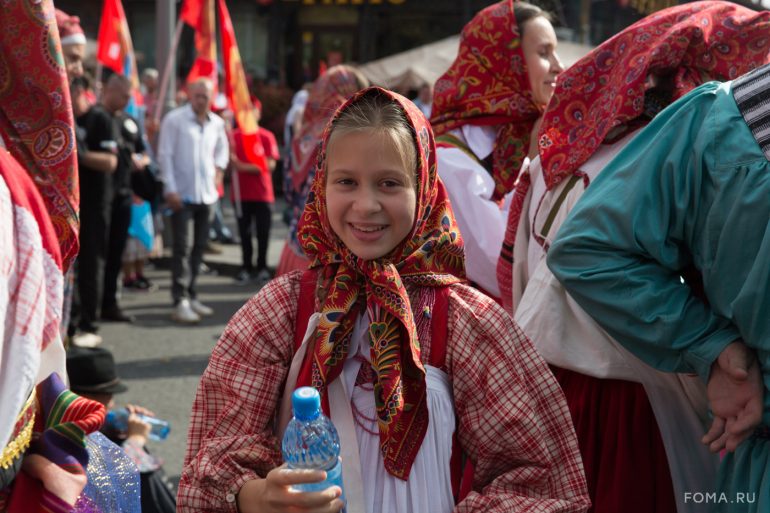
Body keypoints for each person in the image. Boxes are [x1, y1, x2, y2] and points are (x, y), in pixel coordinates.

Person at [178, 87, 590, 513]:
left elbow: (537, 477)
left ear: (424, 186)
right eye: (346, 182)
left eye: (389, 184)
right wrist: (257, 496)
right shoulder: (282, 310)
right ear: (321, 184)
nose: (366, 204)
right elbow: (216, 453)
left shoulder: (465, 320)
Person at [496, 3, 770, 512]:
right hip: (640, 399)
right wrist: (714, 352)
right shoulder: (684, 151)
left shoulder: (565, 155)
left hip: (542, 380)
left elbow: (521, 275)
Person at [430, 0, 563, 299]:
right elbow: (506, 274)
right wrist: (535, 165)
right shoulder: (450, 161)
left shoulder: (511, 146)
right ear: (505, 63)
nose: (559, 66)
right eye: (544, 53)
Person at [276, 65, 369, 276]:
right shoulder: (348, 132)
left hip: (297, 243)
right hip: (332, 252)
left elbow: (288, 192)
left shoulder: (304, 133)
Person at [67, 347, 177, 513]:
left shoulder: (69, 417)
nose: (111, 403)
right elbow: (112, 477)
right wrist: (135, 442)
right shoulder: (65, 435)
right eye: (106, 396)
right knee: (143, 472)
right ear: (82, 397)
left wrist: (119, 430)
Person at [157, 78, 229, 324]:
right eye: (197, 95)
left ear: (211, 97)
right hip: (182, 195)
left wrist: (219, 171)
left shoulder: (216, 123)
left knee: (199, 247)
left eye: (205, 96)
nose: (201, 100)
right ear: (190, 95)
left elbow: (222, 151)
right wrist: (170, 189)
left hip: (207, 195)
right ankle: (180, 300)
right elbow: (164, 155)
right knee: (182, 248)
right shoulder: (175, 119)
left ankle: (192, 292)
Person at [101, 74, 151, 323]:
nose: (127, 100)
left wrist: (140, 161)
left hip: (124, 196)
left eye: (129, 96)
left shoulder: (129, 121)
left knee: (117, 252)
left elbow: (144, 152)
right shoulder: (97, 117)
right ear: (110, 90)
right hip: (99, 198)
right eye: (124, 95)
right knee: (98, 253)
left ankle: (110, 302)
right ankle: (90, 305)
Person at [231, 98, 280, 284]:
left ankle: (262, 267)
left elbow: (269, 165)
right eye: (245, 110)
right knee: (244, 234)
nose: (249, 114)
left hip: (262, 194)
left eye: (253, 110)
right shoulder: (233, 137)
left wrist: (242, 167)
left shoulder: (266, 136)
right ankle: (245, 267)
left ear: (259, 114)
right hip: (240, 194)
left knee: (263, 233)